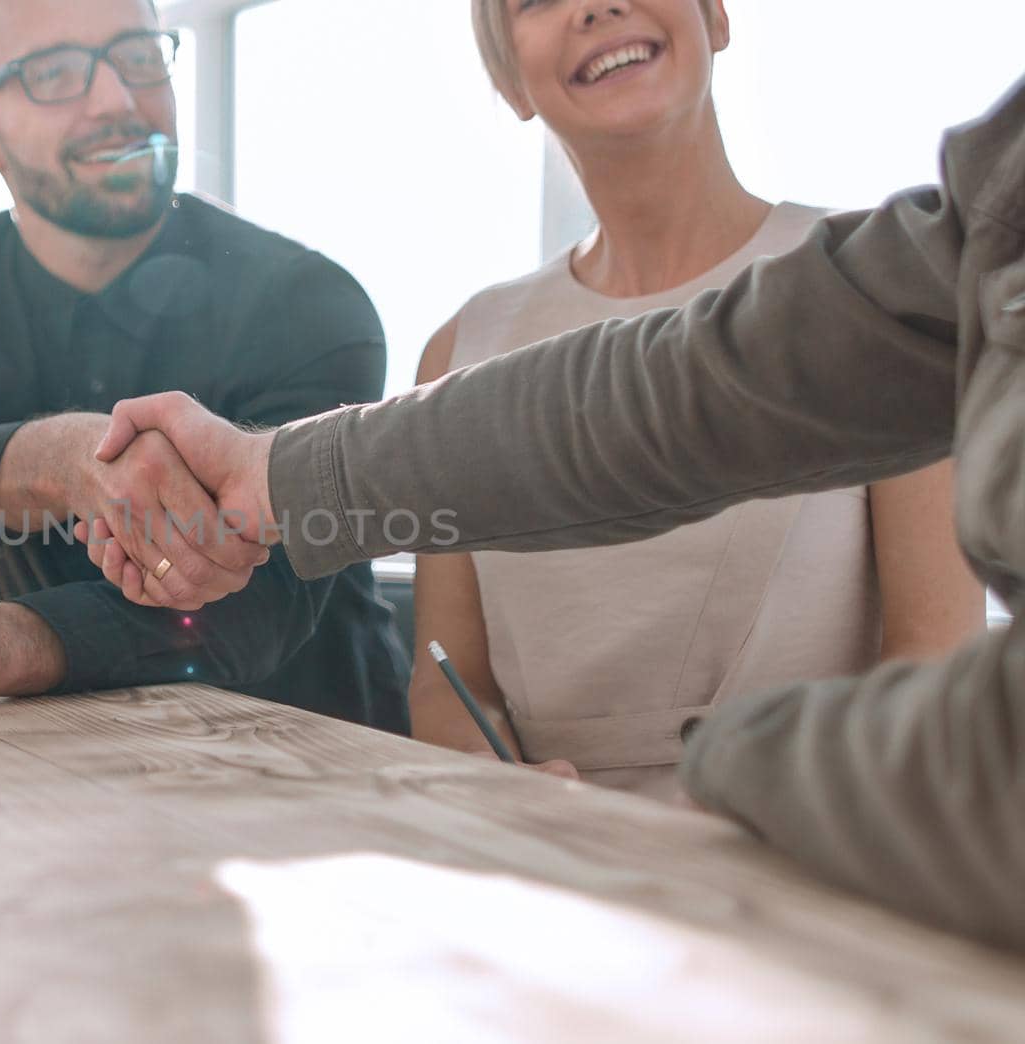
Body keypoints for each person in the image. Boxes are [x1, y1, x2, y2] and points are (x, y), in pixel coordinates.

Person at [80, 75, 1025, 950]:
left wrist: (729, 781)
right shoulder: (946, 247)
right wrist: (273, 473)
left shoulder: (891, 265)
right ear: (507, 76)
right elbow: (677, 392)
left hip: (829, 905)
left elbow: (947, 683)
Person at [0, 0, 409, 731]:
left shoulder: (306, 299)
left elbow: (259, 602)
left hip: (320, 766)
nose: (117, 100)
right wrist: (62, 460)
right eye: (55, 72)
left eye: (137, 56)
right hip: (50, 762)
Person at [400, 0, 982, 797]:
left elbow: (937, 653)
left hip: (815, 869)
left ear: (715, 15)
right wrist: (488, 781)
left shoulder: (877, 295)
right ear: (509, 80)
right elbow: (448, 676)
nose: (596, 4)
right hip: (543, 881)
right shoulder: (460, 352)